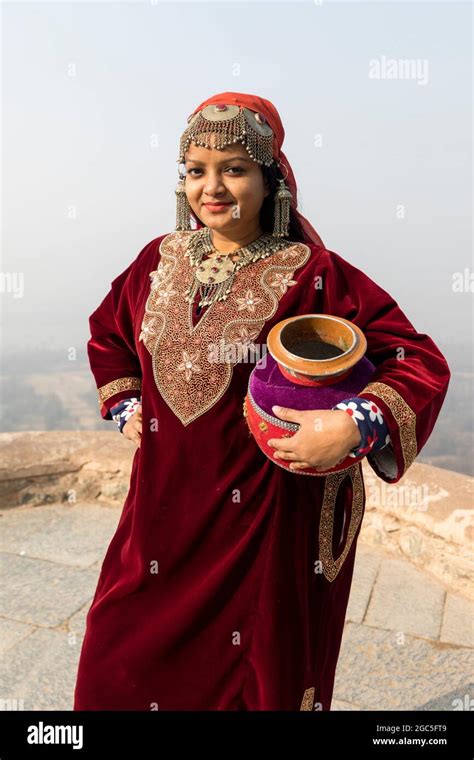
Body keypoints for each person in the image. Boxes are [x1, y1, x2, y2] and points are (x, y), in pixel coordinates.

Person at [73, 92, 450, 711]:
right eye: (196, 170)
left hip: (264, 523)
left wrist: (354, 424)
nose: (211, 186)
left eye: (234, 168)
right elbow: (108, 333)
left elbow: (415, 358)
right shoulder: (156, 262)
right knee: (116, 658)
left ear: (270, 177)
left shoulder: (313, 273)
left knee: (250, 679)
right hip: (158, 518)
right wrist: (125, 403)